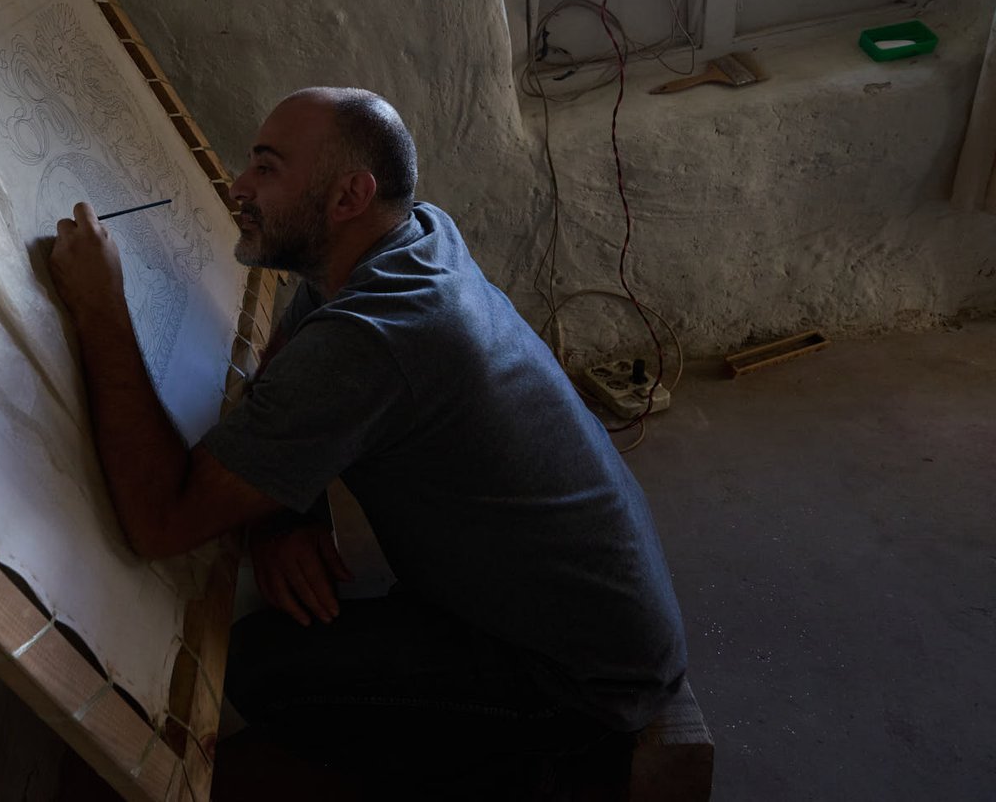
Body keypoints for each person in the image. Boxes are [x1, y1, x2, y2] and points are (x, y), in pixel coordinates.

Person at [49, 87, 686, 791]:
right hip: (609, 615)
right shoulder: (404, 238)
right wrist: (286, 512)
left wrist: (99, 304)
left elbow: (159, 519)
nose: (239, 187)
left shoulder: (373, 337)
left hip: (584, 681)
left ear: (350, 194)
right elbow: (285, 370)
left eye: (267, 167)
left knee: (262, 667)